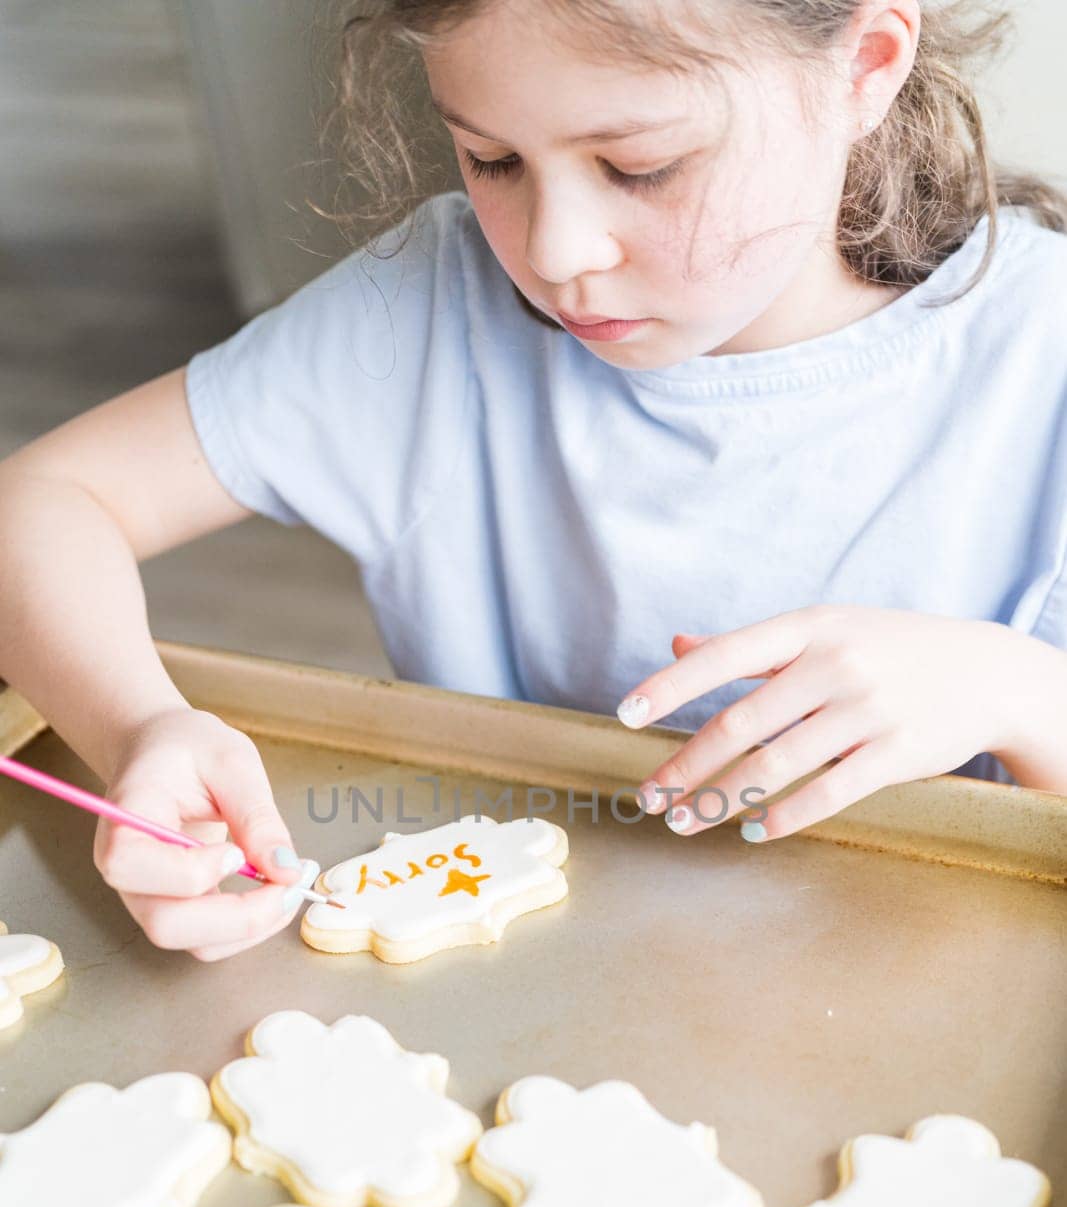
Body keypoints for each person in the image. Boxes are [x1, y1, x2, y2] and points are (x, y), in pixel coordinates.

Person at [1, 0, 1065, 961]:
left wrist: (1017, 693)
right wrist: (138, 727)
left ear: (864, 66)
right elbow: (41, 503)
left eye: (640, 166)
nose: (555, 252)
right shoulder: (428, 314)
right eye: (491, 158)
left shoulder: (1039, 358)